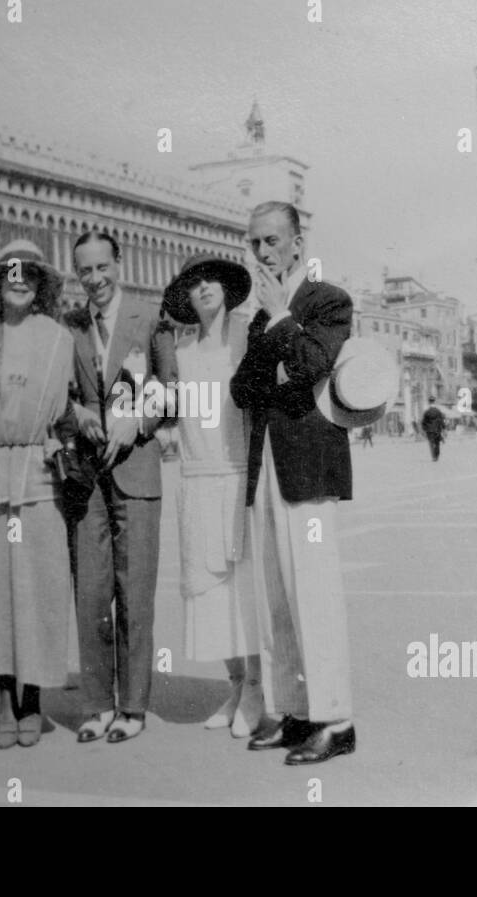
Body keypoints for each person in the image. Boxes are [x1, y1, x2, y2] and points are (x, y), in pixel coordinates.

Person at [231, 201, 356, 765]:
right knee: (275, 596)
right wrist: (283, 357)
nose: (262, 252)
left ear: (298, 243)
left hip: (308, 465)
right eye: (254, 242)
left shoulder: (326, 300)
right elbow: (242, 389)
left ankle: (336, 719)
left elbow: (311, 364)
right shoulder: (259, 316)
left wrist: (282, 320)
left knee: (314, 593)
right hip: (266, 463)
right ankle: (293, 710)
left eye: (272, 241)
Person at [0, 239, 75, 749]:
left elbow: (69, 410)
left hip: (41, 481)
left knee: (39, 592)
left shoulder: (59, 339)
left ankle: (33, 701)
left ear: (40, 283)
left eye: (28, 273)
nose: (19, 280)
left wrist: (64, 440)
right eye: (10, 273)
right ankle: (5, 699)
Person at [64, 231, 177, 744]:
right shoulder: (70, 326)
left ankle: (132, 706)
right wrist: (77, 412)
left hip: (137, 473)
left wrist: (138, 421)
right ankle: (96, 705)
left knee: (135, 595)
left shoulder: (151, 319)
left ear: (119, 263)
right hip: (87, 478)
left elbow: (173, 390)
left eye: (102, 267)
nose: (95, 279)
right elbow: (58, 393)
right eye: (85, 270)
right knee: (91, 594)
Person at [162, 253, 265, 738]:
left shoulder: (246, 338)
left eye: (212, 280)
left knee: (244, 591)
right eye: (195, 282)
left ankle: (257, 689)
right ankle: (236, 684)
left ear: (226, 288)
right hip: (197, 479)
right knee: (209, 592)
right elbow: (155, 401)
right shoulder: (180, 351)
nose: (204, 288)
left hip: (238, 475)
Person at [421, 397, 445, 461]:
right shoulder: (438, 411)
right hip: (437, 430)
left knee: (431, 443)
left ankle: (433, 456)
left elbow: (423, 422)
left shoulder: (427, 412)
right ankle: (437, 456)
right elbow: (441, 420)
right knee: (437, 443)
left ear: (429, 402)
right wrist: (443, 428)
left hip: (429, 431)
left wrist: (424, 429)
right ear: (434, 402)